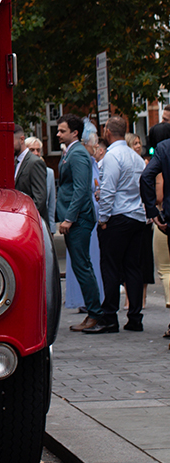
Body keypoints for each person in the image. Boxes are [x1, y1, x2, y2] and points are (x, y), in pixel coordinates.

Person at [96, 116, 147, 332]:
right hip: (136, 216)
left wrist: (103, 218)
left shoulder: (112, 156)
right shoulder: (135, 158)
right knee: (132, 267)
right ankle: (135, 317)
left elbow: (108, 190)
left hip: (118, 216)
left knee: (110, 266)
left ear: (107, 132)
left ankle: (109, 317)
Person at [56, 114, 106, 332]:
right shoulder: (72, 152)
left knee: (82, 266)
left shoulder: (77, 154)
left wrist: (69, 218)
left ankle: (95, 314)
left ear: (75, 133)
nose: (58, 134)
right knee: (80, 265)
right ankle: (93, 313)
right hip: (77, 219)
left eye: (62, 130)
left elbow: (80, 189)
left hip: (79, 220)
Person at [13, 125, 48, 224]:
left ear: (22, 139)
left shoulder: (35, 162)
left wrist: (25, 218)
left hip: (30, 222)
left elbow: (39, 199)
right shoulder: (16, 162)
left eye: (10, 142)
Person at [25, 136, 56, 231]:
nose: (36, 153)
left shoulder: (49, 173)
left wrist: (52, 228)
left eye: (38, 150)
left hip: (43, 222)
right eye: (32, 150)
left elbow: (51, 203)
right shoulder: (22, 172)